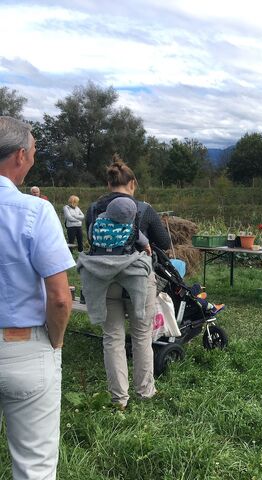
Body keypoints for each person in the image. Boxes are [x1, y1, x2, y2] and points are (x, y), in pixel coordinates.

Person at [0, 116, 75, 479]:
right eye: (32, 152)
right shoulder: (35, 210)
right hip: (24, 346)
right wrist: (55, 342)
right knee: (34, 467)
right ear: (20, 155)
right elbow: (59, 297)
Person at [84, 157, 171, 408]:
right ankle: (145, 391)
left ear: (109, 184)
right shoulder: (144, 209)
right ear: (132, 183)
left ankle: (119, 399)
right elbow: (164, 243)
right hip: (138, 280)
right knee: (142, 335)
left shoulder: (93, 209)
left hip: (104, 279)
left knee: (112, 337)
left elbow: (92, 240)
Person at [78, 197, 153, 326]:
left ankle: (97, 315)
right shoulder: (131, 227)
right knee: (138, 283)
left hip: (98, 264)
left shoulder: (96, 224)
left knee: (94, 290)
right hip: (125, 263)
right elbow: (144, 242)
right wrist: (147, 249)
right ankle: (139, 310)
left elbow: (91, 238)